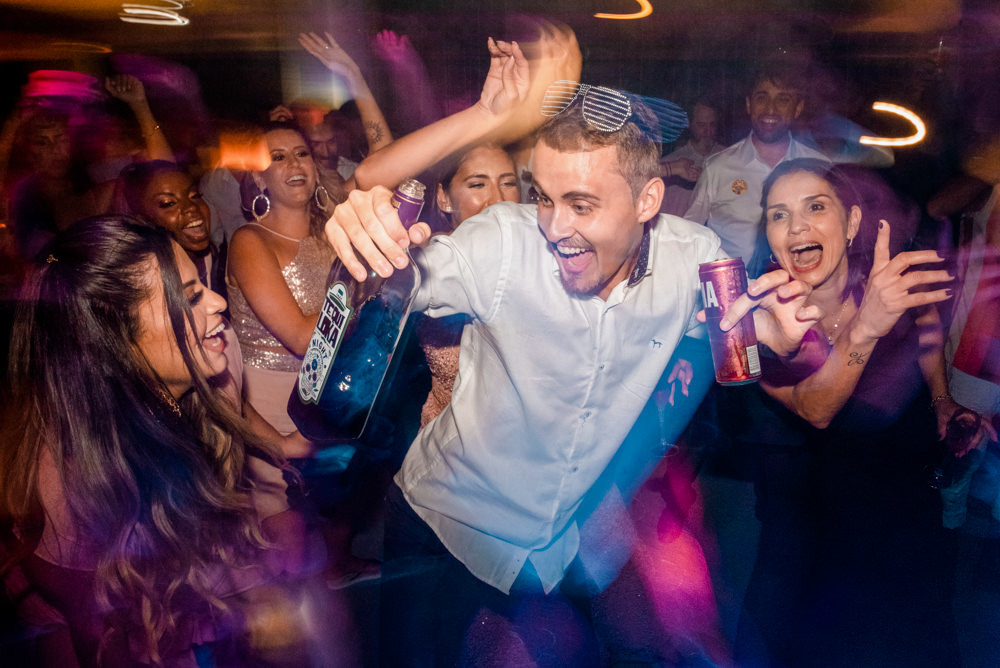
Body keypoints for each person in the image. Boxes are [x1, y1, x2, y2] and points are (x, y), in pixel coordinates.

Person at [325, 90, 812, 665]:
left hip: (556, 552)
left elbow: (739, 344)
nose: (555, 227)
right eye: (544, 198)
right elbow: (409, 279)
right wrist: (369, 244)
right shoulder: (503, 242)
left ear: (648, 198)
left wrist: (776, 342)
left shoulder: (696, 257)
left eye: (581, 205)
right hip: (445, 527)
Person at [0, 216, 316, 666]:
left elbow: (233, 419)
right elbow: (104, 637)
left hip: (178, 578)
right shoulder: (68, 484)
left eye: (202, 285)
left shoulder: (212, 369)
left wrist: (293, 444)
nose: (220, 302)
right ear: (118, 339)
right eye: (190, 297)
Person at [724, 157, 990, 666]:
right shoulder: (752, 315)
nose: (797, 226)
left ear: (849, 225)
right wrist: (864, 328)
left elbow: (926, 325)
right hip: (806, 514)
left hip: (900, 495)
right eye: (779, 215)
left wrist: (941, 400)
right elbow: (814, 408)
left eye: (815, 207)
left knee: (915, 631)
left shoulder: (885, 280)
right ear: (770, 235)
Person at [416, 143, 520, 427]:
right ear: (444, 198)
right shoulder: (431, 263)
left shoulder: (539, 255)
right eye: (478, 184)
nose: (498, 199)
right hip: (443, 444)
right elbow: (370, 174)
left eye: (509, 183)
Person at [685, 66, 828, 263]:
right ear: (749, 104)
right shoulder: (718, 167)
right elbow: (689, 233)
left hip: (801, 288)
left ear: (798, 108)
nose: (771, 109)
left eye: (783, 99)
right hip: (732, 290)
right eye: (762, 98)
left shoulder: (821, 168)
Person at [118, 160, 227, 298]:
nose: (191, 207)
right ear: (142, 220)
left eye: (194, 196)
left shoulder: (207, 256)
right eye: (169, 203)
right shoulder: (148, 281)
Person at [659, 99, 725, 217]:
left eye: (712, 125)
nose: (707, 131)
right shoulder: (672, 160)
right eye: (701, 125)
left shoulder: (728, 157)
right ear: (689, 123)